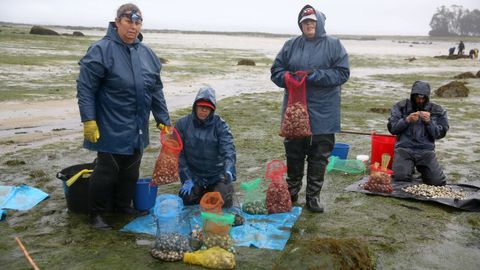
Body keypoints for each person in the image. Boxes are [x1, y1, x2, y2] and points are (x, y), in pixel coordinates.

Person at [76, 3, 171, 229]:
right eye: (129, 21)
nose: (133, 27)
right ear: (117, 21)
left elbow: (155, 89)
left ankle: (123, 206)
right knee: (106, 171)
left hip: (138, 124)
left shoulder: (147, 53)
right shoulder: (101, 49)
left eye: (137, 22)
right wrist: (88, 119)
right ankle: (97, 214)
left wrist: (162, 118)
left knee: (131, 170)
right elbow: (85, 88)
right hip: (109, 124)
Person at [270, 5, 350, 213]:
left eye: (312, 22)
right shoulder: (290, 45)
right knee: (294, 153)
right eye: (305, 22)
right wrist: (285, 78)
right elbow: (276, 71)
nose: (309, 25)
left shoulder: (334, 45)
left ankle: (313, 197)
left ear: (319, 23)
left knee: (319, 155)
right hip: (295, 111)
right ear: (300, 25)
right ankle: (292, 191)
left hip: (324, 111)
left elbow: (342, 73)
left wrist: (316, 75)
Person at [176, 87, 236, 208]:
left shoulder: (220, 125)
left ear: (212, 109)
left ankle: (214, 189)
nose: (203, 111)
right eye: (201, 107)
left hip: (216, 175)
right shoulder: (182, 124)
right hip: (194, 175)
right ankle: (200, 190)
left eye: (207, 108)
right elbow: (179, 155)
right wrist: (187, 178)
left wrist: (229, 169)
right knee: (187, 198)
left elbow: (228, 149)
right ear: (195, 106)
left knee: (223, 200)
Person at [387, 81, 449, 186]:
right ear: (412, 95)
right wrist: (407, 120)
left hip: (426, 151)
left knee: (437, 182)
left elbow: (440, 134)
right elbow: (393, 129)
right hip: (404, 149)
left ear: (427, 97)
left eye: (423, 98)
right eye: (417, 97)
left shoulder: (437, 110)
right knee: (400, 179)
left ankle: (422, 171)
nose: (420, 100)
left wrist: (429, 122)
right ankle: (407, 168)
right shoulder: (400, 106)